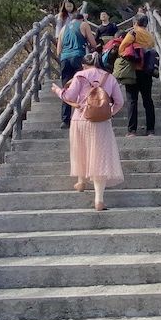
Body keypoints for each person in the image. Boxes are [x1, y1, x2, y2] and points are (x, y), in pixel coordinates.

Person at [51, 52, 124, 210]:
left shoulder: (80, 75)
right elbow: (120, 101)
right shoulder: (110, 77)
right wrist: (108, 112)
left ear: (84, 64)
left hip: (80, 119)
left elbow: (69, 96)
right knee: (99, 158)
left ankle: (81, 181)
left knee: (81, 151)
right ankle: (99, 199)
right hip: (101, 123)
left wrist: (57, 91)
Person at [57, 13, 98, 127]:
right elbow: (93, 43)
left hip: (65, 58)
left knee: (66, 88)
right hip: (78, 56)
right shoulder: (84, 24)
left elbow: (58, 49)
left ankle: (65, 120)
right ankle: (83, 115)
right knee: (82, 88)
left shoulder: (63, 28)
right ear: (82, 18)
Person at [119, 14, 156, 136]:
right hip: (146, 71)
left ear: (135, 22)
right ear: (146, 24)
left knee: (132, 101)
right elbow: (150, 47)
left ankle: (132, 131)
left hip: (133, 71)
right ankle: (150, 130)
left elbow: (122, 48)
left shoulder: (133, 33)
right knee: (148, 100)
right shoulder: (150, 36)